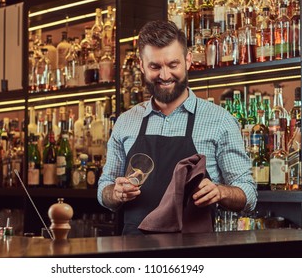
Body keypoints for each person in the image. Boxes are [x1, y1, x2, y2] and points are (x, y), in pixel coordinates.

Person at [97, 20, 257, 235]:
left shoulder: (220, 120)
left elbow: (248, 194)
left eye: (173, 65)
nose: (164, 76)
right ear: (141, 65)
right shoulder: (126, 122)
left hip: (195, 254)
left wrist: (220, 192)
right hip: (134, 252)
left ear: (188, 60)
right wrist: (115, 193)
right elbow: (104, 188)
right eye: (155, 66)